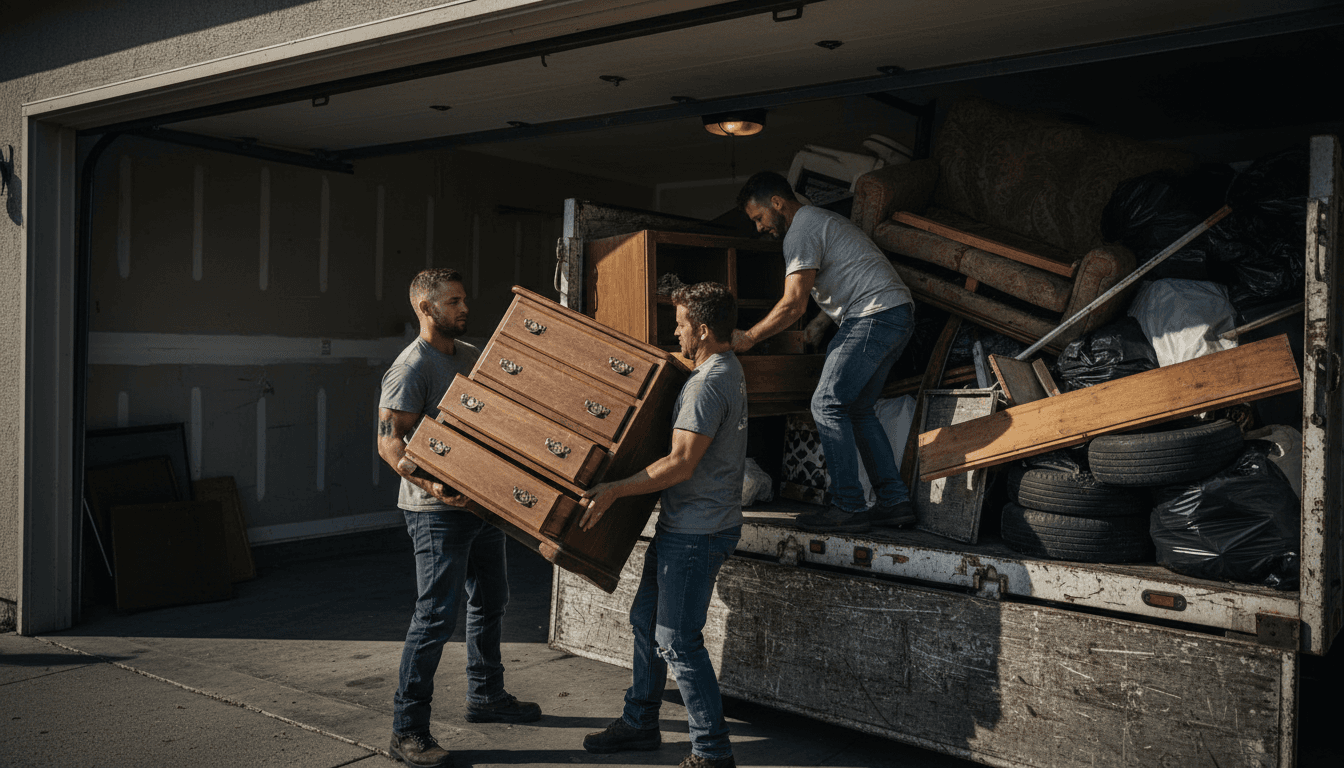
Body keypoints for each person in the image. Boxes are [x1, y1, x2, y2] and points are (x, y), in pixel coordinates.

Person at [377, 267, 541, 768]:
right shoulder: (410, 368)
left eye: (464, 300)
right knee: (434, 616)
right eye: (452, 303)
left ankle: (486, 696)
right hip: (435, 512)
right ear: (425, 309)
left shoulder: (469, 358)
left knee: (492, 599)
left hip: (480, 504)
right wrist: (435, 485)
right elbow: (390, 444)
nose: (464, 309)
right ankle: (407, 731)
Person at [578, 282, 747, 768]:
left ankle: (712, 753)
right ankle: (639, 723)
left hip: (696, 532)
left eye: (681, 325)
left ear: (704, 329)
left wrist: (612, 489)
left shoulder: (706, 383)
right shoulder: (727, 367)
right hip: (686, 525)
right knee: (645, 622)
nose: (676, 332)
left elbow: (680, 464)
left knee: (676, 639)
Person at [732, 171, 916, 534]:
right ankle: (894, 503)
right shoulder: (820, 220)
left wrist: (749, 337)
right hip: (896, 313)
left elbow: (792, 304)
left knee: (826, 404)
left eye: (758, 218)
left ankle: (848, 506)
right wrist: (820, 325)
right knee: (858, 408)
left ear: (777, 203)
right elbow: (843, 276)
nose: (758, 228)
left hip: (873, 316)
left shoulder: (800, 230)